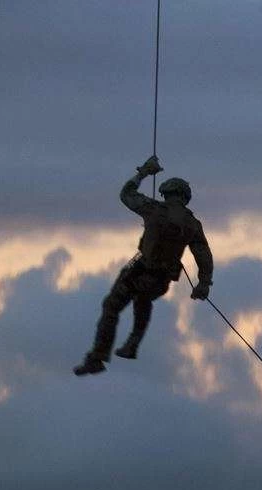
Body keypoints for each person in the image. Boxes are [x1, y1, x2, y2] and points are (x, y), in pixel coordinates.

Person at [74, 155, 213, 376]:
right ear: (185, 198)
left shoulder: (153, 209)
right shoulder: (192, 224)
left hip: (141, 271)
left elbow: (126, 195)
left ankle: (98, 357)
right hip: (162, 279)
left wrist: (144, 173)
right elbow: (204, 255)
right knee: (143, 299)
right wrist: (203, 284)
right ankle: (132, 344)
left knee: (112, 306)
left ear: (166, 194)